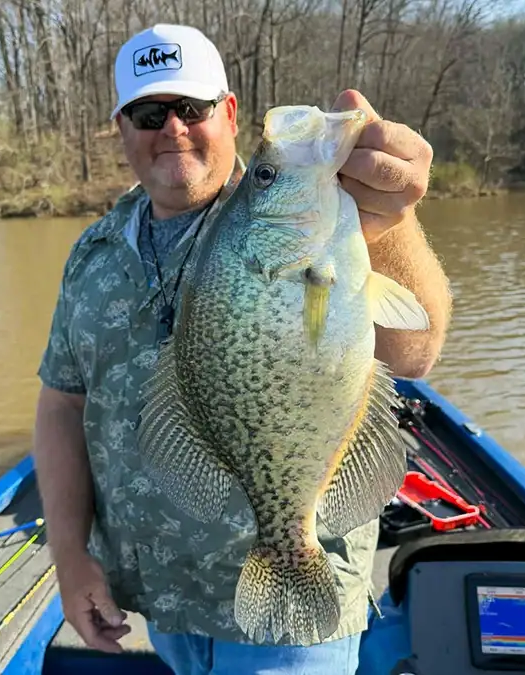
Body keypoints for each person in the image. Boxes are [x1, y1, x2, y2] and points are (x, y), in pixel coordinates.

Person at [31, 23, 451, 675]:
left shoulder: (318, 220)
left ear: (228, 114)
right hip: (160, 601)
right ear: (121, 127)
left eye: (191, 109)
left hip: (294, 618)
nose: (171, 127)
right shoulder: (93, 251)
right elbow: (61, 403)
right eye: (149, 112)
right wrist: (71, 556)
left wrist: (389, 217)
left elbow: (416, 351)